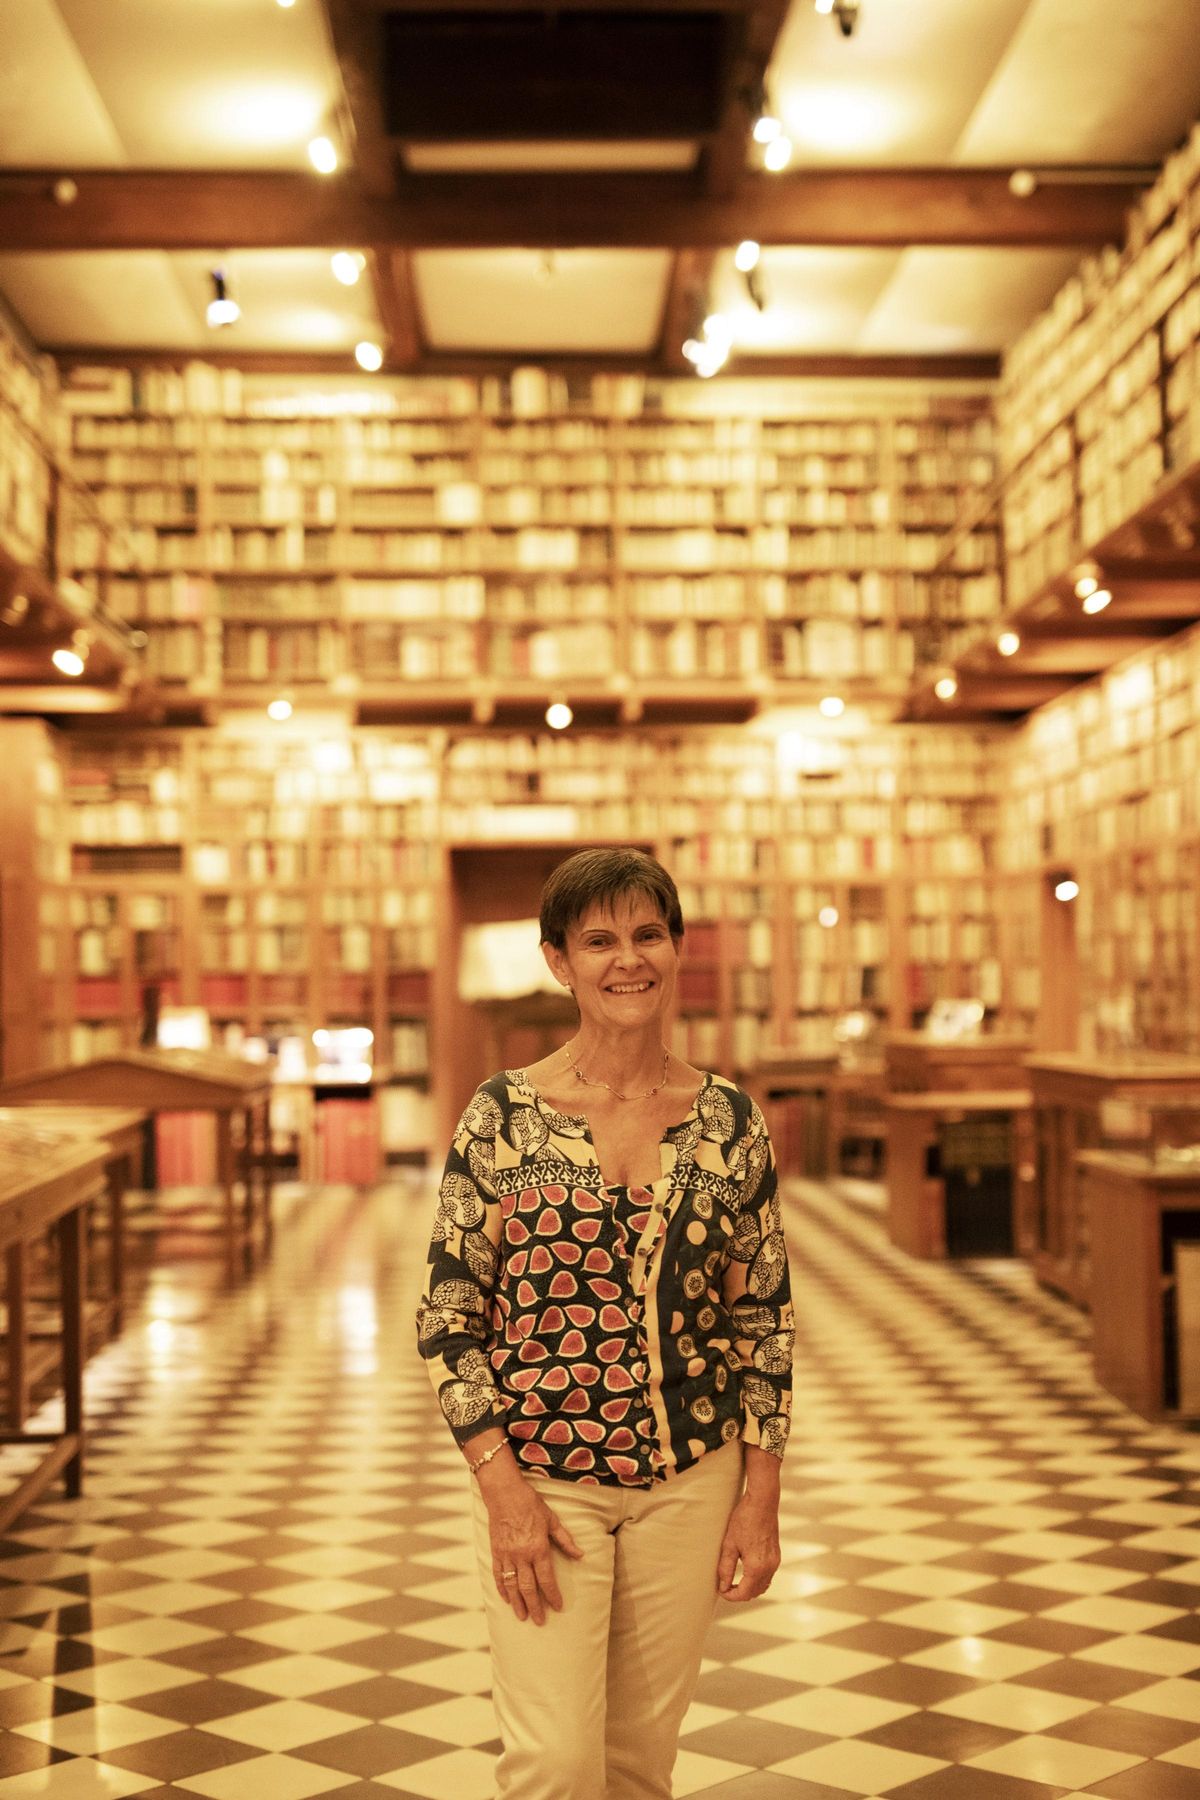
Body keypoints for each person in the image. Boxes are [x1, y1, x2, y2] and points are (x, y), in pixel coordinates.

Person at [417, 846, 794, 1800]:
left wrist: (760, 1495)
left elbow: (765, 1322)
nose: (628, 960)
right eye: (599, 941)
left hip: (690, 1476)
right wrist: (501, 1492)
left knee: (636, 1764)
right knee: (555, 1761)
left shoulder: (730, 1123)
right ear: (559, 963)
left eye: (648, 935)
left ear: (675, 950)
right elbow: (449, 1319)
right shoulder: (501, 1117)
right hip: (543, 1479)